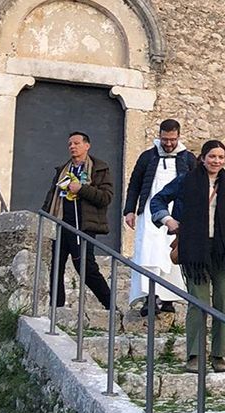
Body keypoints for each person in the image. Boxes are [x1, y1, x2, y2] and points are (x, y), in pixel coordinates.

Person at [149, 140, 225, 373]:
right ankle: (195, 355)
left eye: (221, 157)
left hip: (223, 251)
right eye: (212, 156)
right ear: (203, 158)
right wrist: (168, 220)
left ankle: (219, 354)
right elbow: (157, 200)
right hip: (194, 250)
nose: (216, 161)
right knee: (199, 302)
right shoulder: (186, 181)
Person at [122, 118, 195, 314]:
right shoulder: (147, 157)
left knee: (171, 251)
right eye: (165, 139)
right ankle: (150, 296)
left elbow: (197, 186)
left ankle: (169, 298)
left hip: (178, 212)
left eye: (172, 139)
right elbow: (135, 184)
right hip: (149, 212)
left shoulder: (188, 159)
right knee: (149, 252)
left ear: (178, 137)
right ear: (160, 136)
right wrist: (129, 210)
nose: (168, 143)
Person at [42, 131, 113, 309]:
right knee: (56, 265)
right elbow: (52, 196)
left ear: (87, 146)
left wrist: (81, 189)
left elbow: (106, 197)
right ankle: (56, 308)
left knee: (85, 266)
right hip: (60, 223)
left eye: (76, 143)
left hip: (83, 225)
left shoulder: (99, 168)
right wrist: (44, 215)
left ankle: (110, 305)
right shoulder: (63, 170)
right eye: (70, 144)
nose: (72, 147)